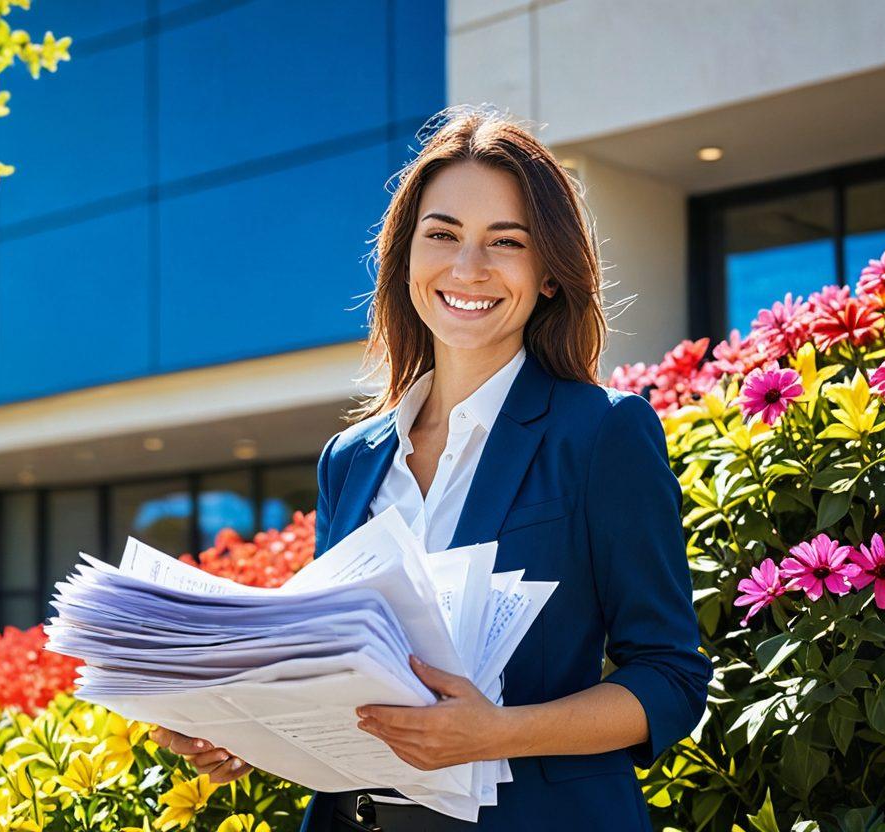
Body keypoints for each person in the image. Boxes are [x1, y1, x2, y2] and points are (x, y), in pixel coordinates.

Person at [151, 104, 712, 830]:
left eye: (505, 242)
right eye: (441, 235)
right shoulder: (350, 462)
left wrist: (500, 733)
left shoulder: (603, 433)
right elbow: (344, 676)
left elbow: (670, 678)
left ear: (548, 273)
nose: (467, 268)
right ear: (406, 256)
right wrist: (242, 727)